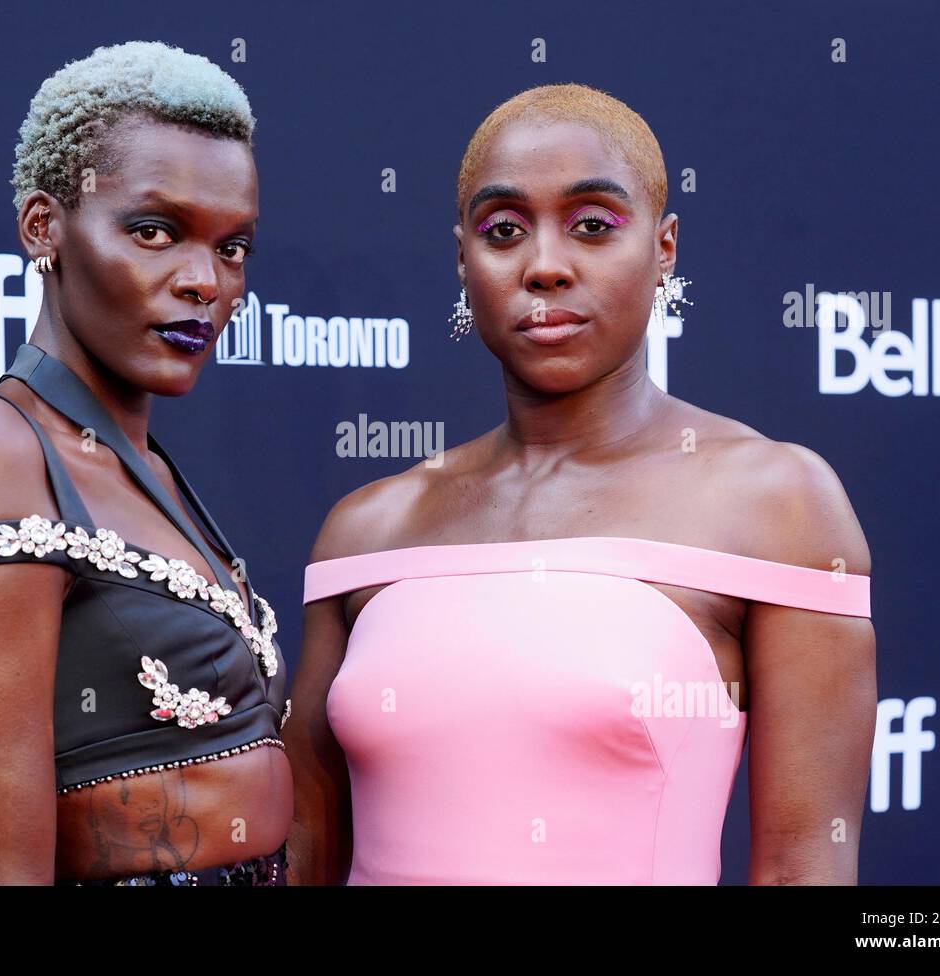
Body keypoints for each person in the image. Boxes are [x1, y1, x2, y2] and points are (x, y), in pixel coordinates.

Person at [285, 83, 876, 885]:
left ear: (664, 248)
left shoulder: (776, 502)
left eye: (593, 225)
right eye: (503, 231)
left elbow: (803, 865)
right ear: (463, 260)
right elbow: (306, 853)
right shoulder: (366, 529)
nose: (545, 266)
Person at [0, 41, 291, 886]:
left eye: (233, 247)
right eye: (155, 231)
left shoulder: (151, 469)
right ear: (45, 227)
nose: (205, 282)